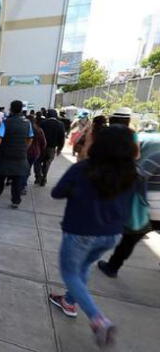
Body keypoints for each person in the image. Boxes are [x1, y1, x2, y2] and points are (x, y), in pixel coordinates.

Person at [48, 125, 137, 348]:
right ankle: (69, 300)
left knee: (70, 274)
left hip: (80, 232)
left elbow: (57, 192)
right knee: (84, 267)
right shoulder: (132, 173)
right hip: (112, 235)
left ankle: (99, 320)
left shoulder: (83, 169)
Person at [98, 132, 160, 278]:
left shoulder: (156, 157)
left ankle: (112, 267)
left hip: (150, 208)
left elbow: (138, 176)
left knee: (129, 239)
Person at [0, 100, 34, 208]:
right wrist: (24, 148)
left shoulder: (6, 122)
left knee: (1, 174)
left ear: (11, 109)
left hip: (6, 153)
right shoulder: (27, 123)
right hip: (20, 155)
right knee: (17, 178)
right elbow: (30, 138)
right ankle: (16, 200)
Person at [35, 109, 65, 186]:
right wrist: (60, 148)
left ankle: (38, 176)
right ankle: (44, 178)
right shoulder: (60, 124)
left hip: (41, 147)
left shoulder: (43, 123)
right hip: (52, 147)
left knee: (38, 161)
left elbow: (38, 134)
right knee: (47, 163)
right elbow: (62, 137)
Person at [24, 114, 47, 194]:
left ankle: (23, 184)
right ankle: (24, 184)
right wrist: (41, 151)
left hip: (25, 151)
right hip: (35, 152)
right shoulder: (39, 130)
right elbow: (44, 143)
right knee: (28, 167)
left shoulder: (24, 129)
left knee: (24, 168)